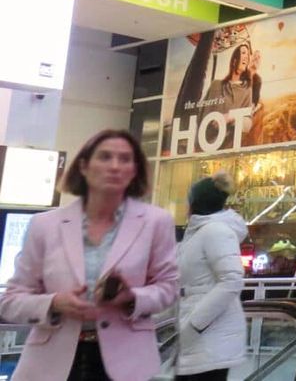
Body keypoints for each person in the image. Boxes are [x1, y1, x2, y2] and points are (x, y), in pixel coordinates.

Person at [0, 129, 179, 381]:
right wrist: (53, 303)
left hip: (127, 364)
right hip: (52, 363)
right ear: (83, 166)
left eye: (125, 159)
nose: (115, 166)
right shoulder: (45, 225)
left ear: (135, 170)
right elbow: (12, 300)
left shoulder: (156, 222)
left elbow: (169, 288)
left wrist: (132, 298)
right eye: (105, 157)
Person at [176, 171, 248, 381]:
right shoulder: (196, 234)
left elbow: (232, 280)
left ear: (196, 203)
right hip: (197, 341)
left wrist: (194, 325)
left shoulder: (214, 231)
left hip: (210, 340)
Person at [197, 43, 258, 149]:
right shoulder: (216, 85)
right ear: (234, 60)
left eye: (248, 55)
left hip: (228, 146)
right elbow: (201, 115)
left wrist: (232, 116)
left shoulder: (247, 89)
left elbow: (248, 122)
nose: (246, 57)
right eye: (243, 53)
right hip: (208, 143)